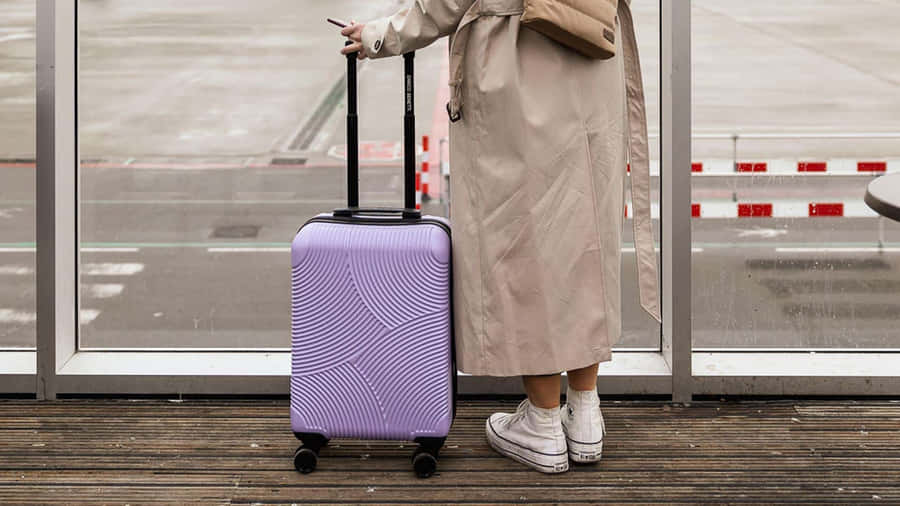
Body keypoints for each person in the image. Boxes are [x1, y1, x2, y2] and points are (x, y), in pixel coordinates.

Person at [339, 0, 660, 474]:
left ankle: (545, 421)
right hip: (592, 52)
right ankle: (585, 411)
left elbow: (445, 5)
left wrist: (377, 35)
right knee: (584, 231)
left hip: (520, 67)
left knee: (527, 239)